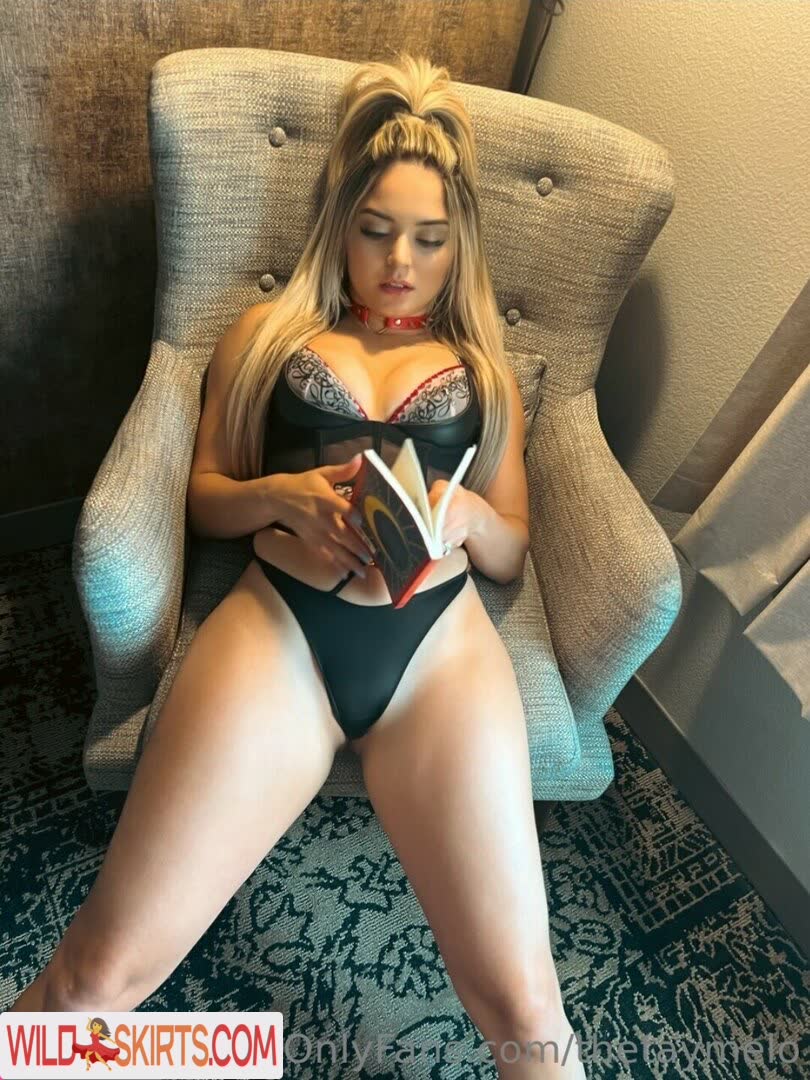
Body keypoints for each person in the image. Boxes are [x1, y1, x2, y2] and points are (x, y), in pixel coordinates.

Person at [11, 52, 587, 1079]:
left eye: (428, 238)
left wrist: (463, 515)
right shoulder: (266, 337)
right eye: (375, 230)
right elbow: (206, 497)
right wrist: (280, 495)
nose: (400, 260)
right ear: (339, 225)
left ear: (460, 245)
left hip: (439, 652)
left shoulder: (485, 373)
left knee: (525, 1008)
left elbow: (513, 546)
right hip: (280, 630)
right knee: (99, 973)